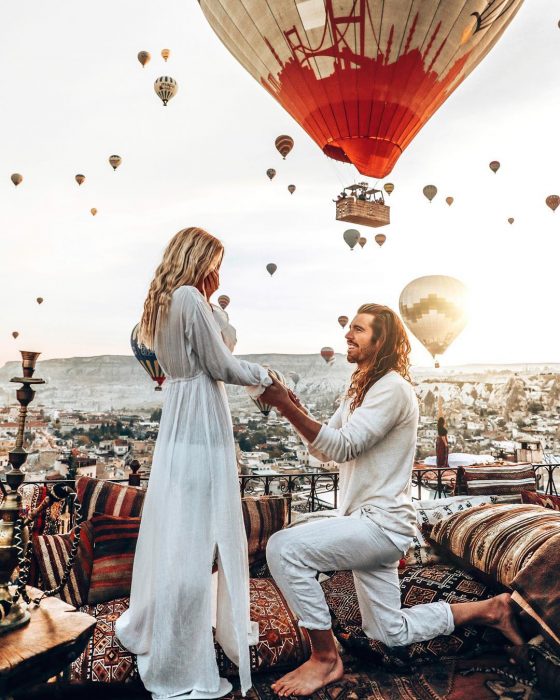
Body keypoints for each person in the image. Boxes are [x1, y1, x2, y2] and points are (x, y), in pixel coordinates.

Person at [259, 304, 524, 698]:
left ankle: (325, 658)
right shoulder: (359, 391)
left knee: (283, 548)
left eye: (359, 330)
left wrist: (285, 406)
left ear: (381, 341)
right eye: (349, 328)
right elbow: (323, 452)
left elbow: (343, 446)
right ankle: (492, 609)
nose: (348, 335)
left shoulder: (392, 388)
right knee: (388, 631)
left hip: (380, 524)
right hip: (365, 524)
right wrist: (292, 409)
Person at [114, 227, 272, 700]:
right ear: (200, 258)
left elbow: (215, 347)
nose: (218, 272)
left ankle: (158, 628)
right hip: (202, 415)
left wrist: (216, 308)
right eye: (215, 261)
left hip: (180, 418)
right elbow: (223, 364)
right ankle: (180, 661)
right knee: (198, 537)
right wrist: (269, 377)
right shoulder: (188, 297)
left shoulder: (165, 300)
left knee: (180, 530)